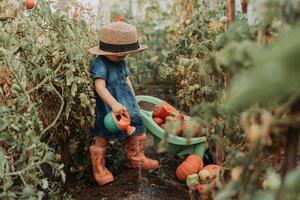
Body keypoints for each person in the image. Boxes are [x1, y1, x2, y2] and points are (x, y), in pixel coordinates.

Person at [88, 21, 159, 186]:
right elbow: (99, 86)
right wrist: (113, 104)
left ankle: (137, 158)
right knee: (102, 135)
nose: (123, 57)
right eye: (120, 54)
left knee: (137, 128)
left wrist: (134, 100)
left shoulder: (121, 61)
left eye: (125, 54)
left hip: (126, 102)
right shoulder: (100, 63)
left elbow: (126, 80)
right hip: (108, 107)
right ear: (106, 50)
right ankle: (99, 169)